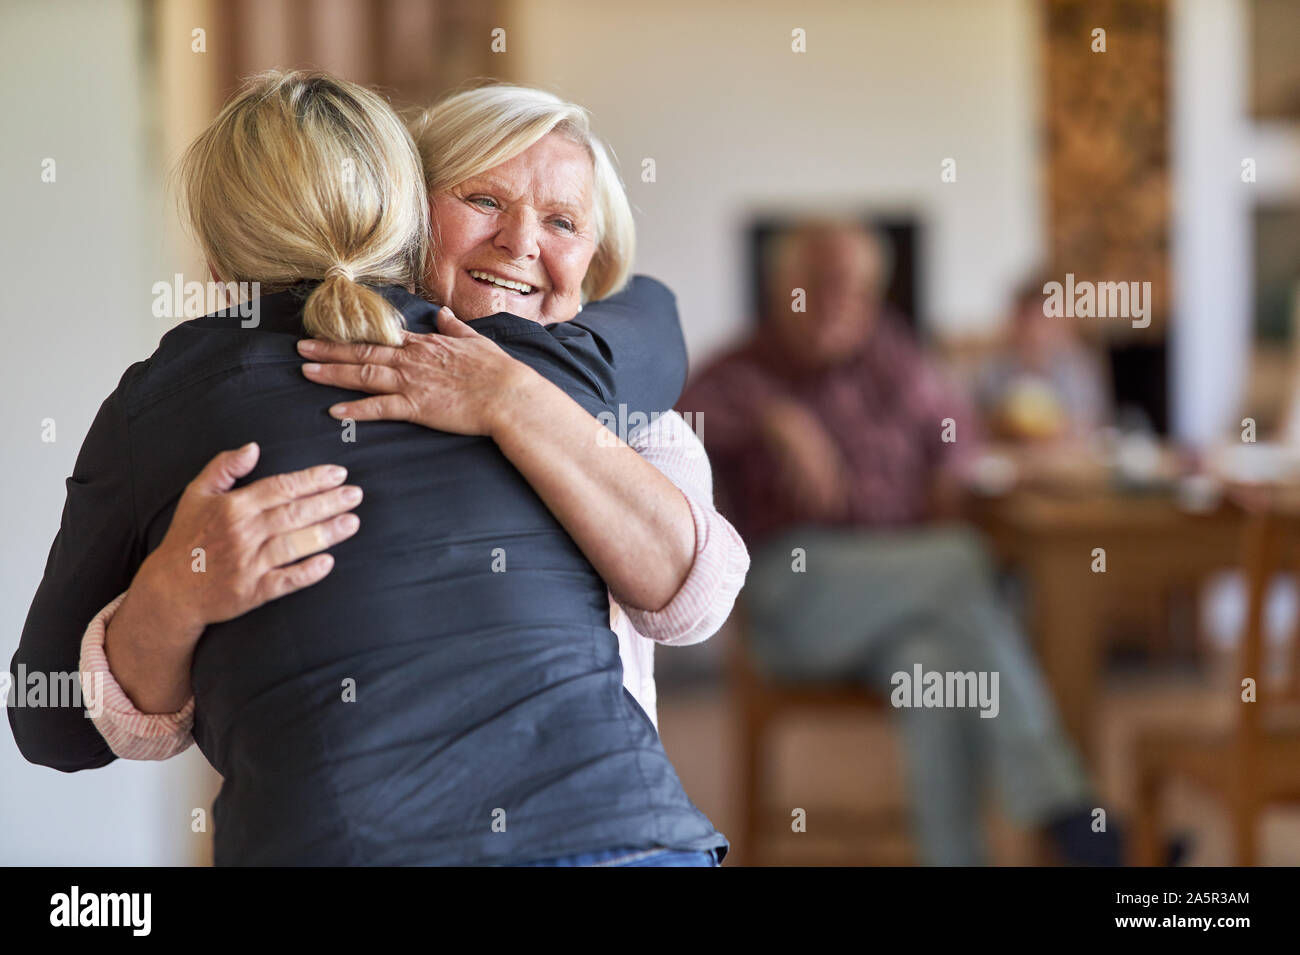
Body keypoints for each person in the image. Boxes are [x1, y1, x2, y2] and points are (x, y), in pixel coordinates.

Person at [11, 71, 738, 866]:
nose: (523, 243)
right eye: (485, 201)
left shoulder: (161, 405)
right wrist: (171, 598)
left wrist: (512, 400)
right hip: (621, 838)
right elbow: (655, 319)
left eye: (563, 220)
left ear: (215, 264)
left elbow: (46, 718)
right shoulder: (569, 361)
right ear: (410, 219)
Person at [680, 219, 1119, 865]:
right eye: (819, 285)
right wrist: (776, 417)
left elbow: (960, 438)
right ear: (783, 288)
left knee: (935, 667)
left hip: (902, 599)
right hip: (795, 599)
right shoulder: (742, 368)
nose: (838, 303)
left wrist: (951, 467)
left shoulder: (896, 358)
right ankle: (1067, 812)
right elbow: (677, 420)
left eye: (855, 289)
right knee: (961, 561)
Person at [974, 274, 1112, 445]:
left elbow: (1090, 424)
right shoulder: (994, 372)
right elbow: (979, 426)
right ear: (1017, 323)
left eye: (1046, 320)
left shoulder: (1079, 369)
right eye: (1031, 320)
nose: (1037, 332)